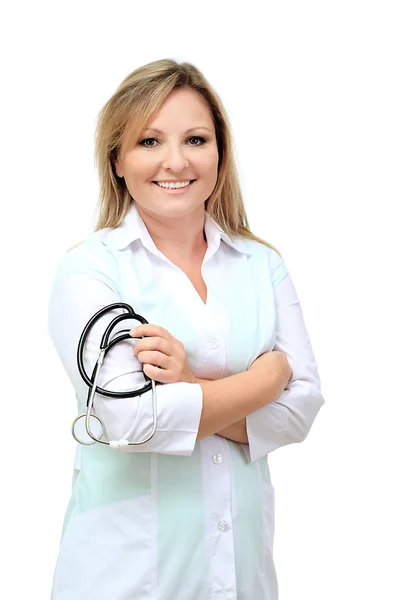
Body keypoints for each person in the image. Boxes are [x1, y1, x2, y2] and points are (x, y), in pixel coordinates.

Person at [47, 58, 325, 600]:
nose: (175, 161)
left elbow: (302, 409)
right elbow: (129, 418)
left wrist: (190, 390)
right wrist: (265, 381)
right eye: (149, 142)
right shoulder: (89, 270)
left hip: (243, 577)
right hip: (125, 580)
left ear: (219, 154)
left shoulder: (261, 265)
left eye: (195, 139)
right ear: (117, 161)